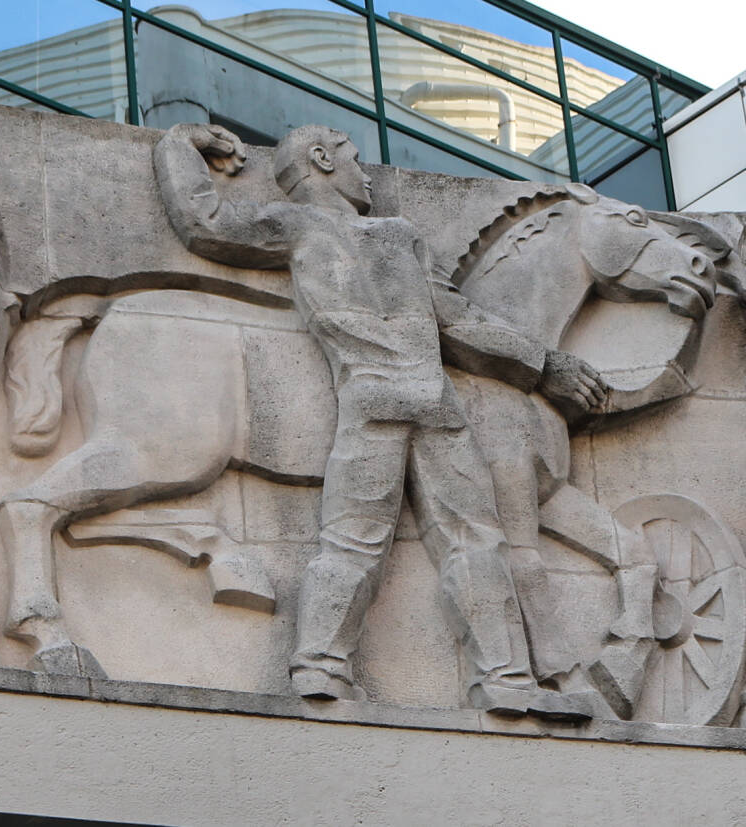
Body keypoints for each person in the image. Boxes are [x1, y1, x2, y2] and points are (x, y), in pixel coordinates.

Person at [154, 122, 606, 717]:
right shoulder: (355, 230)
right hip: (426, 402)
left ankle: (324, 668)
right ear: (321, 159)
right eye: (353, 158)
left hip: (383, 403)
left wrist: (182, 146)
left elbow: (205, 219)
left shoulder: (333, 230)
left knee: (357, 541)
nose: (365, 174)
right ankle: (502, 679)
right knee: (469, 540)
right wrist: (544, 363)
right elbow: (458, 320)